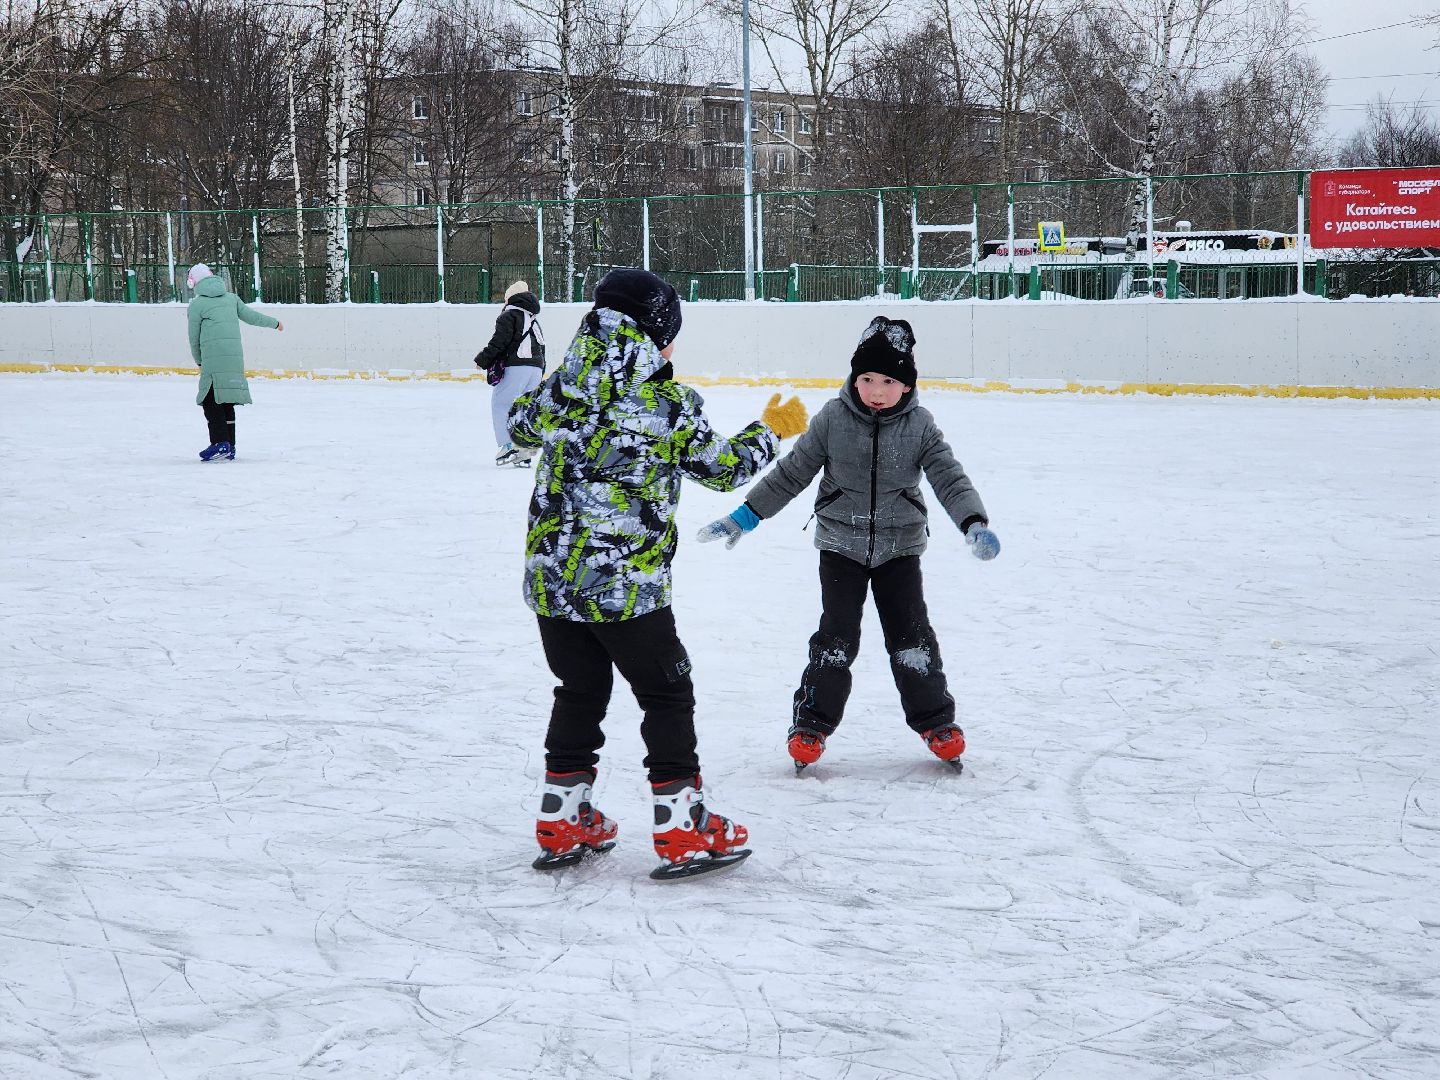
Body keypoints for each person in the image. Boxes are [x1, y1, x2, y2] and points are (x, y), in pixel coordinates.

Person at [507, 267, 809, 878]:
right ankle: (682, 825)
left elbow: (517, 426)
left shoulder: (562, 389)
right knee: (667, 694)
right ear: (655, 336)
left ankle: (562, 818)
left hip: (553, 585)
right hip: (627, 590)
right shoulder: (666, 407)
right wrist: (770, 431)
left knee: (579, 691)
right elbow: (724, 468)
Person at [697, 315, 1001, 774]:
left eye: (888, 382)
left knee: (912, 638)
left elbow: (948, 477)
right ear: (854, 378)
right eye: (867, 379)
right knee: (835, 639)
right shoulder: (832, 419)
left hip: (899, 549)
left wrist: (973, 522)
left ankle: (937, 722)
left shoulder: (920, 426)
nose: (876, 391)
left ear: (906, 385)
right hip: (840, 545)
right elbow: (793, 473)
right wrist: (746, 515)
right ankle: (810, 726)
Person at [185, 263, 282, 461]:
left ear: (194, 282)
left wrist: (199, 361)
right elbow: (252, 317)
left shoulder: (197, 304)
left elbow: (193, 337)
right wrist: (275, 323)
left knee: (210, 400)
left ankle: (220, 443)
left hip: (213, 357)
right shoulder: (231, 299)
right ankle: (230, 445)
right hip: (234, 357)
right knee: (226, 399)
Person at [474, 280, 546, 466]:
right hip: (536, 369)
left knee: (502, 403)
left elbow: (499, 341)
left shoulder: (509, 315)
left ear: (510, 298)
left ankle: (509, 445)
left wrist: (483, 359)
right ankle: (525, 450)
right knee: (525, 408)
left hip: (517, 366)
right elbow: (542, 347)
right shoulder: (533, 319)